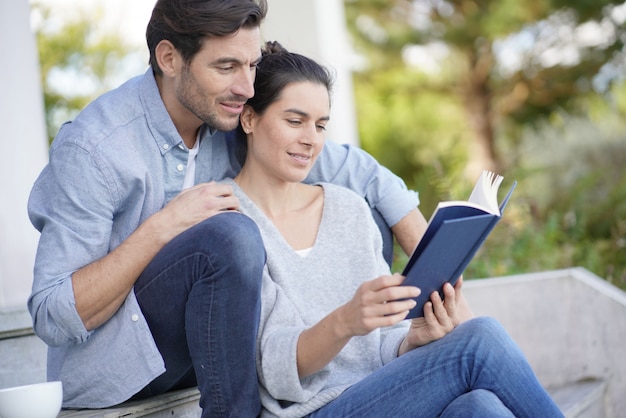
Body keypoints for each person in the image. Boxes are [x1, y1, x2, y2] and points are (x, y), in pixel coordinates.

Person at [26, 1, 426, 417]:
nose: (247, 88)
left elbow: (362, 172)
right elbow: (54, 315)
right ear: (169, 59)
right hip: (114, 361)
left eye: (251, 66)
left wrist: (437, 273)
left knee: (366, 216)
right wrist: (161, 227)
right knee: (230, 234)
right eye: (227, 67)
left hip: (212, 344)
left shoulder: (230, 118)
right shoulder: (96, 148)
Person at [225, 41, 565, 417]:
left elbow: (381, 344)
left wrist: (413, 340)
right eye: (295, 121)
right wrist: (345, 321)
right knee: (479, 339)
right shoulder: (232, 226)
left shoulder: (347, 209)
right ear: (249, 119)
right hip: (312, 411)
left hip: (387, 395)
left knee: (479, 408)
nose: (311, 139)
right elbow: (273, 369)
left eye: (320, 125)